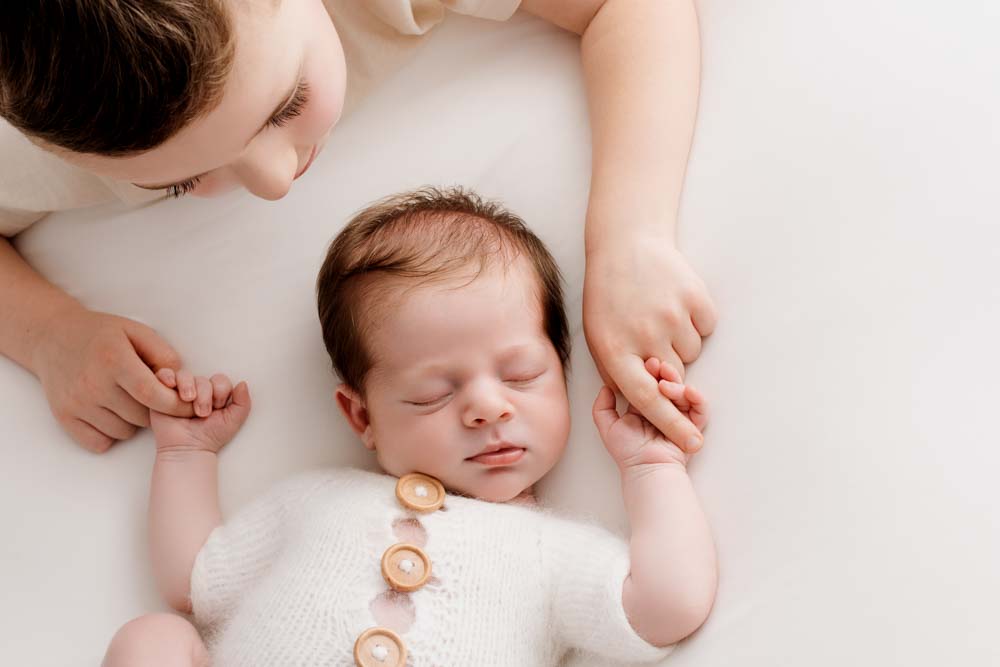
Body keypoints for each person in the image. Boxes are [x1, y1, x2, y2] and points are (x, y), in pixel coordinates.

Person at [0, 0, 716, 455]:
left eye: (286, 106)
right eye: (180, 182)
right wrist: (45, 332)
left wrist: (631, 236)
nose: (276, 181)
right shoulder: (25, 151)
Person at [101, 189, 717, 665]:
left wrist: (651, 468)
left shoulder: (548, 555)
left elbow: (667, 607)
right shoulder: (316, 500)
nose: (487, 408)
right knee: (151, 637)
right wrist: (185, 455)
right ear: (362, 416)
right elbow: (194, 580)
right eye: (431, 395)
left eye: (522, 374)